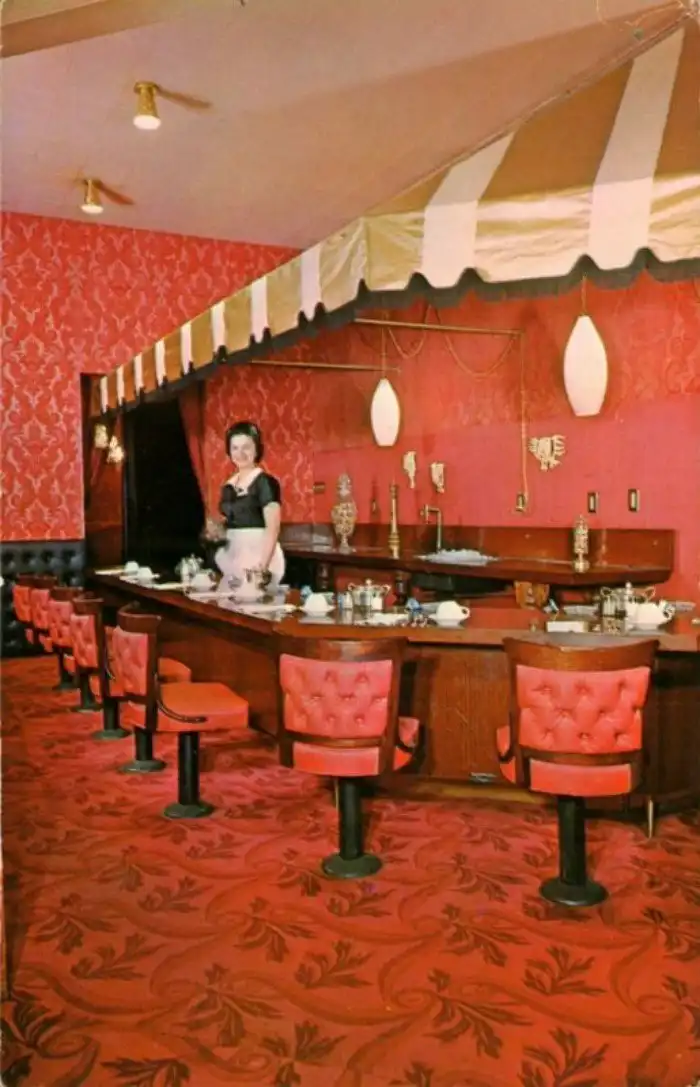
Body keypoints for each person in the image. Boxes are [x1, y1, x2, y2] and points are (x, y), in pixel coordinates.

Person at [214, 420, 285, 589]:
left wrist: (262, 568)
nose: (240, 453)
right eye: (235, 448)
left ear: (257, 449)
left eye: (246, 447)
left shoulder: (265, 483)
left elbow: (273, 528)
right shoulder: (228, 486)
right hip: (233, 554)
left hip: (258, 555)